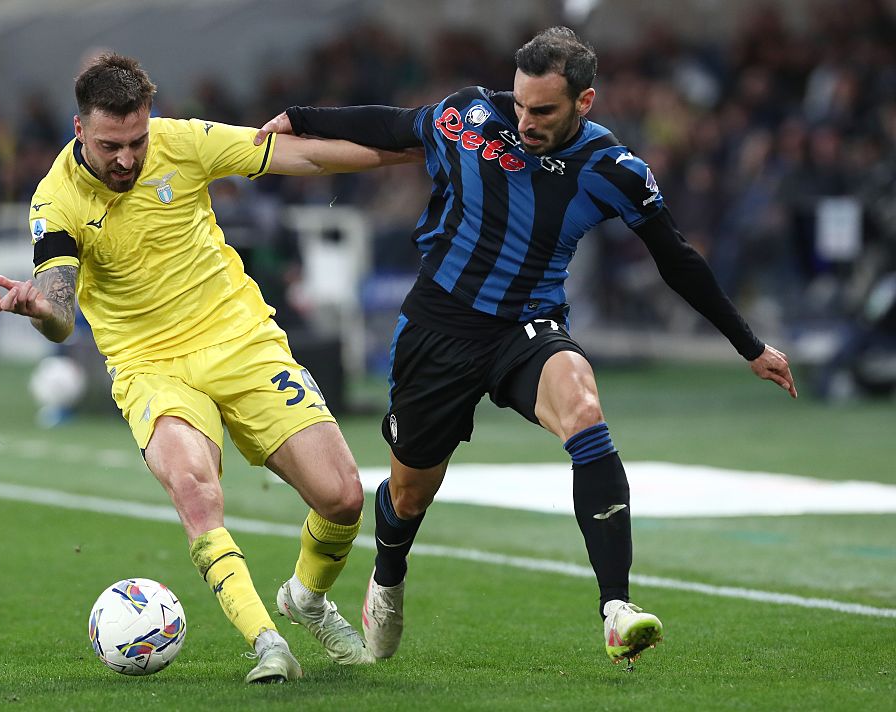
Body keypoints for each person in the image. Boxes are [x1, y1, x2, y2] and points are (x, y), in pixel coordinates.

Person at [255, 26, 798, 667]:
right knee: (408, 496)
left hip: (528, 328)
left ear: (584, 102)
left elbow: (676, 260)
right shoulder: (469, 116)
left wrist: (749, 345)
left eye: (542, 110)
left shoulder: (613, 169)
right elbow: (392, 124)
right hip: (439, 330)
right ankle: (389, 573)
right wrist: (299, 116)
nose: (526, 120)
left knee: (585, 410)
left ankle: (616, 609)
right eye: (520, 104)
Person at [0, 53, 416, 684]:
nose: (128, 159)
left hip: (240, 340)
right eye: (111, 146)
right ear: (80, 131)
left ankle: (305, 598)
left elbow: (307, 156)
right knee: (196, 489)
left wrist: (420, 151)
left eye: (137, 141)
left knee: (344, 497)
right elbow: (59, 308)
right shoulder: (56, 199)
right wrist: (36, 308)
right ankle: (267, 643)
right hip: (150, 366)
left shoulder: (183, 142)